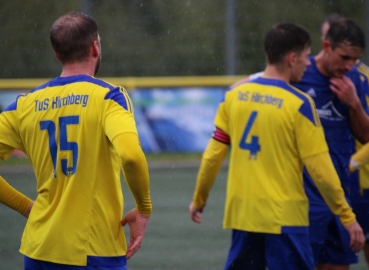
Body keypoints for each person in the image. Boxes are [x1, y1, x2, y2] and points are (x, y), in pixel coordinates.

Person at [188, 22, 364, 270]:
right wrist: (347, 216)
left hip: (243, 214)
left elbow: (213, 155)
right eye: (304, 57)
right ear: (292, 59)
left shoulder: (233, 96)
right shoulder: (299, 104)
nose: (307, 62)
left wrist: (199, 198)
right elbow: (321, 169)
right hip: (285, 218)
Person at [0, 12, 152, 269]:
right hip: (93, 249)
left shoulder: (23, 105)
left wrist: (26, 207)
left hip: (39, 249)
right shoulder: (110, 98)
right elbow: (132, 156)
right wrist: (143, 208)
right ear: (95, 47)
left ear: (57, 54)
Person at [291, 18, 369, 270]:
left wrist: (354, 103)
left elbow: (365, 136)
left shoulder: (355, 81)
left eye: (354, 60)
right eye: (344, 57)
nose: (348, 66)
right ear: (326, 46)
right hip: (303, 196)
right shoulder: (299, 74)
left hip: (339, 195)